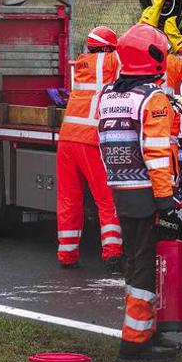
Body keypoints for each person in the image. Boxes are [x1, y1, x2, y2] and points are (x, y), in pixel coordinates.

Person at [99, 24, 181, 361]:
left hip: (121, 189)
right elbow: (158, 154)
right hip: (147, 192)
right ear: (156, 57)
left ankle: (142, 330)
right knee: (145, 265)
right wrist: (167, 200)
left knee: (135, 261)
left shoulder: (109, 95)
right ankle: (136, 339)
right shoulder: (153, 99)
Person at [55, 24, 124, 269]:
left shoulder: (82, 64)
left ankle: (67, 254)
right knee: (106, 198)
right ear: (107, 48)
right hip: (89, 140)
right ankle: (113, 252)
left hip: (67, 139)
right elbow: (130, 55)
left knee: (68, 199)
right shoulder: (107, 62)